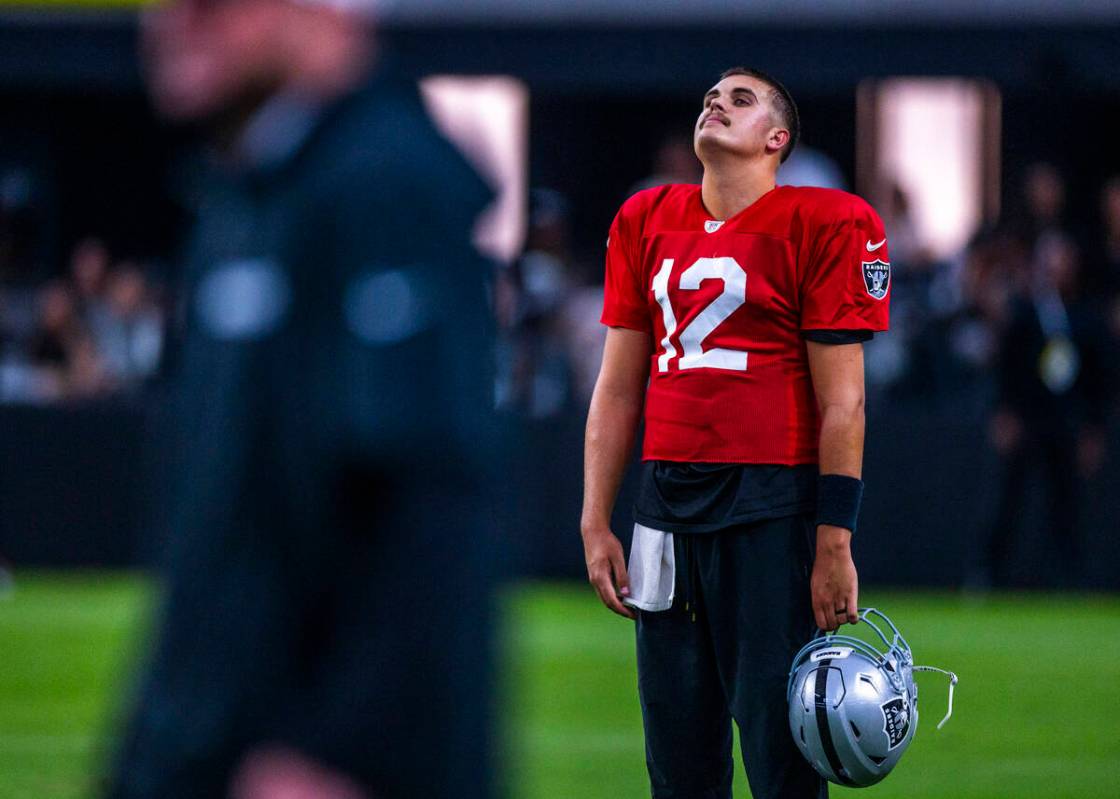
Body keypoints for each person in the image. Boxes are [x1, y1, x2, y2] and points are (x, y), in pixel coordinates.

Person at [106, 1, 496, 798]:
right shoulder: (249, 192)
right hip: (209, 743)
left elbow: (427, 504)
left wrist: (338, 749)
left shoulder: (384, 184)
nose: (170, 19)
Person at [580, 67, 890, 798]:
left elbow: (843, 402)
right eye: (711, 97)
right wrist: (596, 517)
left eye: (741, 99)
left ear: (776, 140)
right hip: (662, 508)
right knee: (677, 759)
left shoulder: (826, 222)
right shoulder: (644, 219)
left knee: (782, 756)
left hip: (768, 503)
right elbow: (619, 387)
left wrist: (833, 539)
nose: (716, 103)